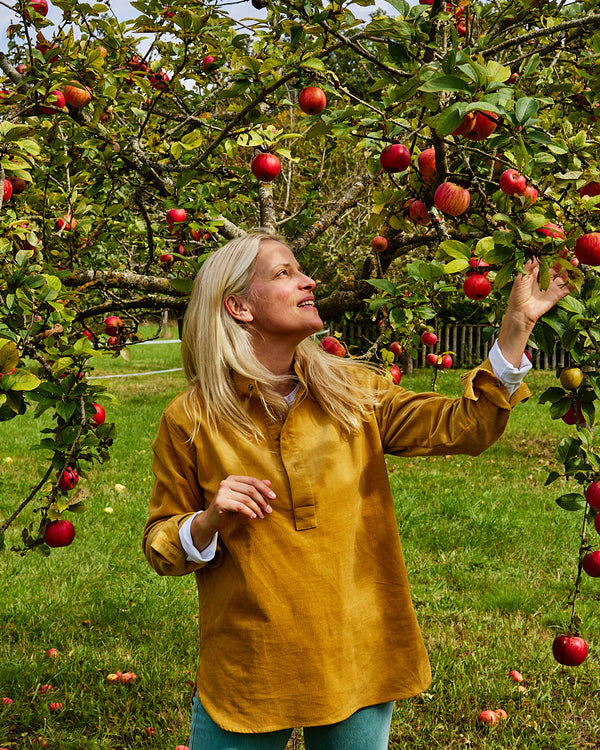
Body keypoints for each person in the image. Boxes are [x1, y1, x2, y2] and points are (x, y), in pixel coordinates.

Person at [143, 229, 575, 750]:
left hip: (358, 650)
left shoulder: (353, 393)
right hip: (249, 665)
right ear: (238, 306)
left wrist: (516, 326)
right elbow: (161, 544)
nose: (309, 280)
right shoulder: (191, 418)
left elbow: (467, 426)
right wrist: (207, 520)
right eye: (285, 273)